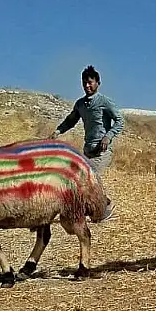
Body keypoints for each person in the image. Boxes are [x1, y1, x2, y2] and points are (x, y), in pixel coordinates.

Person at [53, 65, 124, 220]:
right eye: (84, 82)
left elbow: (119, 121)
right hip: (88, 150)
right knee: (80, 179)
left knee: (91, 179)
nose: (87, 85)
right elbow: (71, 120)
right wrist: (58, 131)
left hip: (102, 150)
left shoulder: (104, 102)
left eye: (90, 82)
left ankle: (106, 207)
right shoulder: (80, 104)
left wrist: (108, 136)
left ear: (98, 83)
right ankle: (92, 208)